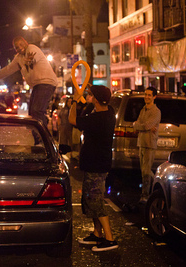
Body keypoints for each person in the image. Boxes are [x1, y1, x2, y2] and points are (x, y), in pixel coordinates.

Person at [69, 85, 118, 252]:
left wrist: (75, 100)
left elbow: (73, 119)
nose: (88, 96)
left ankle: (110, 239)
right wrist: (90, 102)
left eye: (91, 95)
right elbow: (88, 113)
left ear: (96, 99)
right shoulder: (108, 113)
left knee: (95, 200)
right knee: (91, 200)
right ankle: (97, 234)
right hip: (97, 164)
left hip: (96, 165)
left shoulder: (98, 119)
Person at [0, 36, 58, 126]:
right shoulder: (19, 58)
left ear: (25, 42)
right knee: (32, 114)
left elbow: (33, 57)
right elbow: (8, 69)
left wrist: (30, 61)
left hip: (46, 82)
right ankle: (39, 134)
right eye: (17, 47)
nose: (20, 48)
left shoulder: (32, 48)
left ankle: (43, 136)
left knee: (36, 111)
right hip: (37, 85)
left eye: (21, 44)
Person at [133, 87, 161, 203]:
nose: (147, 97)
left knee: (146, 171)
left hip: (150, 144)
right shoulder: (143, 110)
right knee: (143, 170)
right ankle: (155, 186)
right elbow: (140, 125)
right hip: (141, 143)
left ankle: (146, 195)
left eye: (149, 95)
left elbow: (145, 126)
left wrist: (138, 125)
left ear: (154, 97)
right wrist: (138, 125)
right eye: (146, 94)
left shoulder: (156, 111)